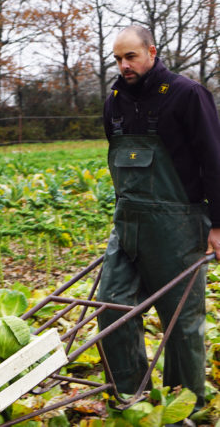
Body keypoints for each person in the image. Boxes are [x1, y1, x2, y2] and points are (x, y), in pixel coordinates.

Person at [98, 24, 220, 407]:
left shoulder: (187, 94)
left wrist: (217, 224)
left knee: (181, 322)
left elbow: (215, 161)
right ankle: (131, 397)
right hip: (128, 225)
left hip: (178, 225)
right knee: (110, 307)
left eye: (130, 56)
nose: (124, 65)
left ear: (151, 51)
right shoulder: (115, 100)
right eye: (118, 59)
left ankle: (186, 405)